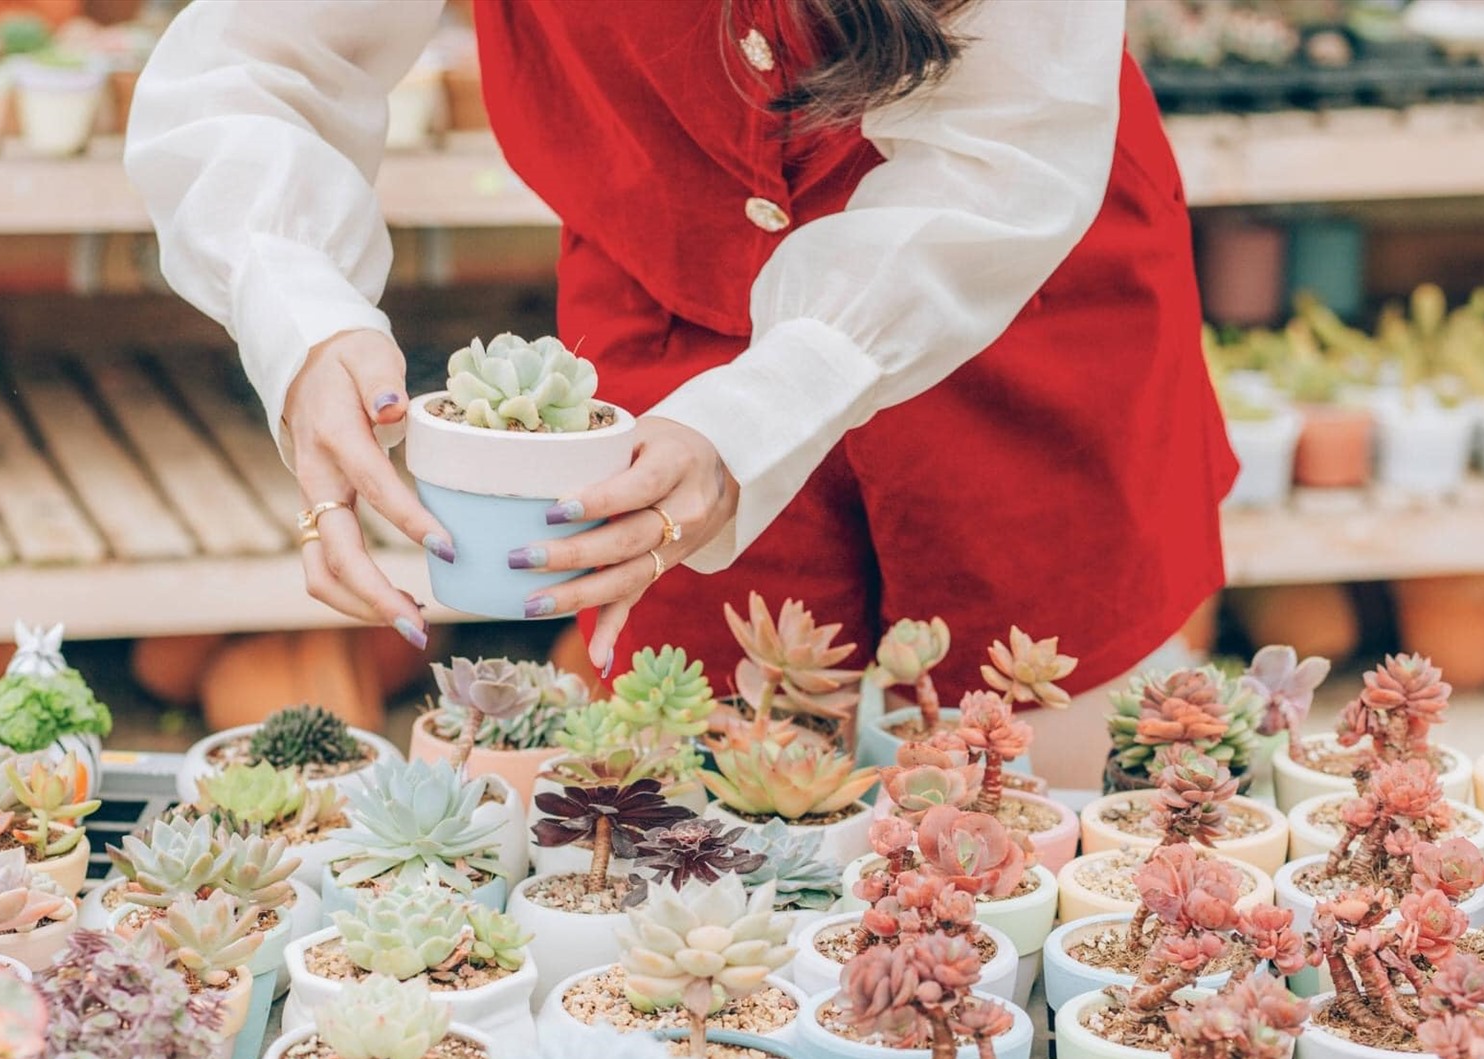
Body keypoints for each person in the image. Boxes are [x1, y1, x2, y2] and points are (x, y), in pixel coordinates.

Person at [127, 0, 1232, 783]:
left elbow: (1007, 148)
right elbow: (258, 56)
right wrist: (298, 308)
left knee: (1036, 794)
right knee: (694, 799)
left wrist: (763, 409)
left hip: (998, 281)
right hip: (671, 298)